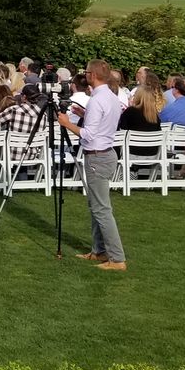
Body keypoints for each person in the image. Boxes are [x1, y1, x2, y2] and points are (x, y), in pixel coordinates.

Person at [57, 59, 127, 271]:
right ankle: (99, 250)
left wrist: (67, 123)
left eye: (87, 72)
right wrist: (84, 115)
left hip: (97, 155)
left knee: (101, 209)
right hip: (105, 152)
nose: (85, 75)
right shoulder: (111, 97)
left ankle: (117, 258)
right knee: (96, 206)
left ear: (93, 75)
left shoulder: (97, 100)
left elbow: (89, 134)